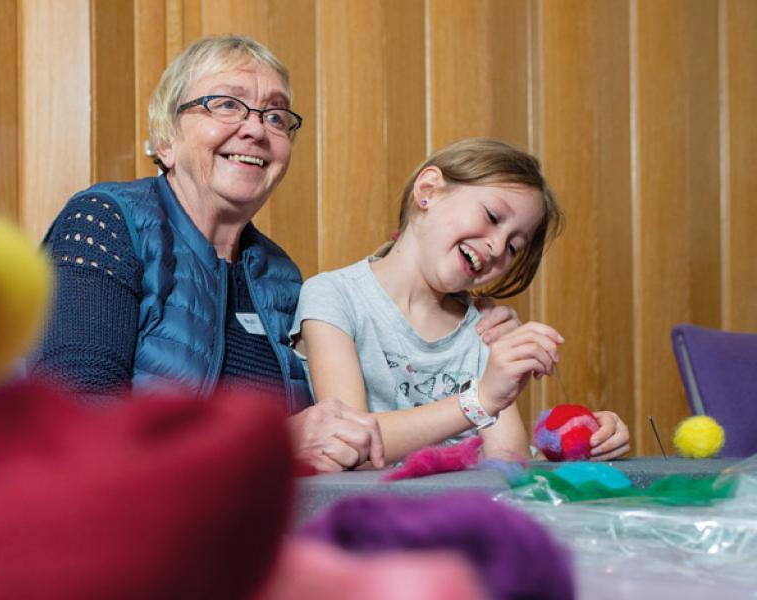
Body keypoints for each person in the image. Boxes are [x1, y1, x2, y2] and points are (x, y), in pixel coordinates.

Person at [27, 36, 518, 473]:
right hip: (128, 543)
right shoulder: (104, 221)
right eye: (225, 105)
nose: (256, 130)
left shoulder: (280, 276)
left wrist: (468, 326)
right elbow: (75, 426)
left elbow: (346, 416)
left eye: (276, 116)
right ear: (165, 139)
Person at [292, 138, 631, 463]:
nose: (498, 248)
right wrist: (480, 400)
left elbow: (507, 464)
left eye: (514, 247)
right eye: (492, 217)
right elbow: (347, 443)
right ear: (428, 191)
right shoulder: (333, 296)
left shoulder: (484, 327)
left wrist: (577, 446)